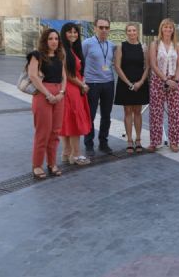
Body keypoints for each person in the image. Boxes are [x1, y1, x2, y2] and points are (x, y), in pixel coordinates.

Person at [27, 29, 66, 179]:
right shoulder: (37, 55)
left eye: (56, 38)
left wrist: (61, 93)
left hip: (59, 95)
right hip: (43, 94)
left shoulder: (59, 56)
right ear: (45, 40)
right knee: (43, 132)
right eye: (50, 38)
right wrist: (48, 94)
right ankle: (37, 165)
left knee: (55, 132)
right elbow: (33, 75)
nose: (54, 41)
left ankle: (51, 163)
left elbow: (64, 77)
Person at [148, 18, 179, 153]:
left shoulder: (178, 45)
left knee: (175, 112)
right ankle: (154, 142)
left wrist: (176, 80)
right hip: (158, 80)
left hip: (175, 80)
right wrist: (165, 79)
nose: (168, 30)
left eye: (170, 27)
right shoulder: (155, 44)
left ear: (173, 30)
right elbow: (153, 64)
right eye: (165, 27)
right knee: (156, 112)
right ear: (161, 29)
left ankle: (174, 142)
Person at [59, 23, 92, 166]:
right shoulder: (64, 50)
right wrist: (82, 85)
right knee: (74, 122)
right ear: (64, 33)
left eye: (75, 32)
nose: (73, 34)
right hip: (72, 89)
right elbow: (69, 74)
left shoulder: (70, 49)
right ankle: (76, 155)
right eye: (70, 32)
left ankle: (66, 153)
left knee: (67, 121)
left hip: (70, 89)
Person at [114, 23, 149, 154]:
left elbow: (147, 67)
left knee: (138, 112)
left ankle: (138, 139)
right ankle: (129, 140)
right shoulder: (120, 46)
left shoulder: (143, 47)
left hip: (140, 82)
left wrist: (140, 82)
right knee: (128, 112)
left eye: (134, 30)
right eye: (129, 30)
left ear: (137, 32)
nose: (132, 33)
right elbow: (117, 66)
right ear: (126, 32)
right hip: (125, 82)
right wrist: (129, 83)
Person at [82, 18, 115, 155]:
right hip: (92, 83)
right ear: (95, 28)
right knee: (90, 115)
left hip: (109, 83)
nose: (104, 30)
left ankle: (103, 142)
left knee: (106, 115)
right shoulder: (87, 44)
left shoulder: (111, 45)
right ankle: (89, 143)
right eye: (101, 27)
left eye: (106, 28)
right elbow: (80, 63)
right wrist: (82, 82)